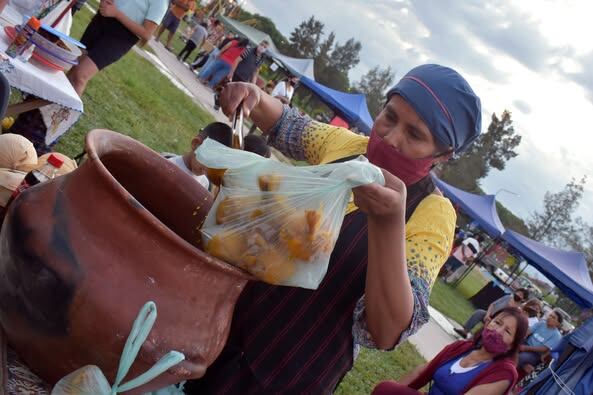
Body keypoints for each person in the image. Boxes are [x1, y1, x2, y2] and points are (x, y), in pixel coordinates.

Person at [182, 63, 482, 393]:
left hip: (286, 377)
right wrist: (254, 95)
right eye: (390, 116)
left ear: (443, 154)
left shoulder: (432, 215)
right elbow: (286, 123)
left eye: (415, 135)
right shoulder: (349, 148)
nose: (390, 138)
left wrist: (388, 223)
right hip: (217, 330)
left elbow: (386, 330)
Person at [372, 307, 528, 395]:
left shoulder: (504, 373)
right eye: (497, 322)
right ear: (488, 322)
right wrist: (395, 391)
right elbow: (421, 372)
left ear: (513, 345)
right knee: (385, 389)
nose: (498, 331)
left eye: (507, 331)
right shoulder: (461, 348)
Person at [68, 0, 168, 95]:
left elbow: (147, 34)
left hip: (121, 37)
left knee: (80, 75)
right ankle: (55, 106)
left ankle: (65, 112)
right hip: (101, 21)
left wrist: (117, 14)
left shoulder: (161, 2)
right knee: (74, 67)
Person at [455, 288, 529, 339]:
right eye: (517, 292)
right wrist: (487, 315)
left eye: (520, 295)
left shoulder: (518, 309)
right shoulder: (507, 297)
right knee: (479, 312)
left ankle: (473, 340)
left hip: (498, 323)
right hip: (489, 315)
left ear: (523, 299)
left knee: (488, 328)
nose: (518, 295)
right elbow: (493, 304)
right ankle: (465, 331)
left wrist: (492, 321)